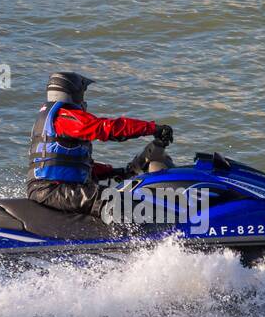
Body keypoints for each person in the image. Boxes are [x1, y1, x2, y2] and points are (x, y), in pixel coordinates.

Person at [27, 71, 173, 216]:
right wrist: (152, 128)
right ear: (73, 94)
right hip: (53, 190)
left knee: (118, 195)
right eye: (82, 94)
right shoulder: (63, 118)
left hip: (55, 189)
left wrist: (114, 172)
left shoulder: (55, 120)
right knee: (117, 201)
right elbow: (106, 129)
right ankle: (147, 238)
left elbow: (71, 164)